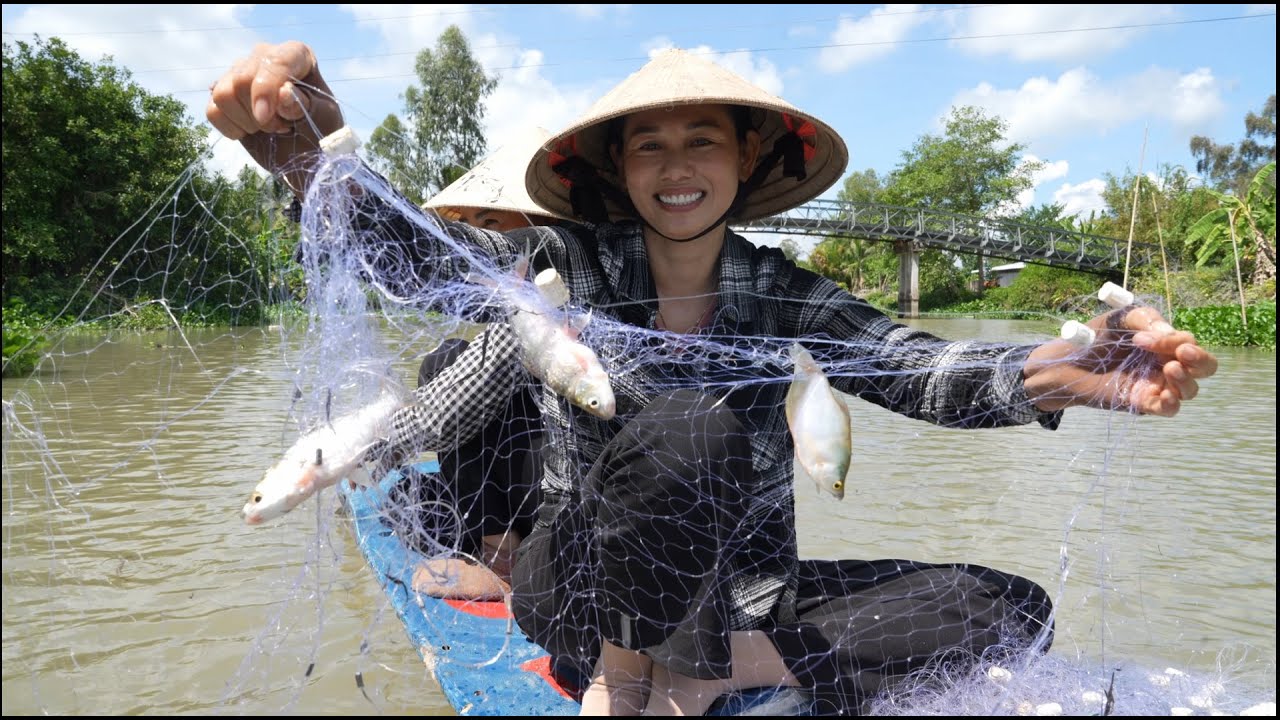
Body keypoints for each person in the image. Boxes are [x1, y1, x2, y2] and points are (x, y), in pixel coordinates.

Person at [208, 44, 1218, 716]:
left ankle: (716, 674)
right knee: (688, 428)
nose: (675, 162)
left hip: (735, 600)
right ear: (618, 169)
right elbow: (433, 264)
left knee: (1009, 608)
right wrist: (316, 156)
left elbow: (916, 366)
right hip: (583, 593)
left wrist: (1059, 371)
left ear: (744, 160)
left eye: (701, 140)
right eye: (649, 143)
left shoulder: (782, 292)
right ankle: (628, 688)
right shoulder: (569, 267)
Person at [405, 128, 571, 600]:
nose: (480, 240)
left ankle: (505, 564)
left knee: (457, 366)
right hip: (517, 488)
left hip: (564, 495)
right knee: (449, 358)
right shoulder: (510, 312)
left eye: (494, 223)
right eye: (473, 226)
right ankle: (495, 545)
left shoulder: (568, 285)